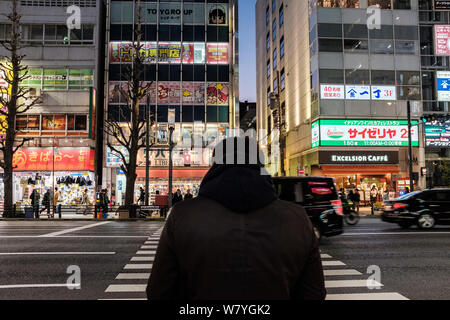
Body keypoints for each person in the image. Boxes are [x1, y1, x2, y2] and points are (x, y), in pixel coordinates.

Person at [147, 136, 326, 300]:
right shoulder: (297, 218)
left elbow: (159, 291)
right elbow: (314, 293)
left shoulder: (183, 215)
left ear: (215, 163)